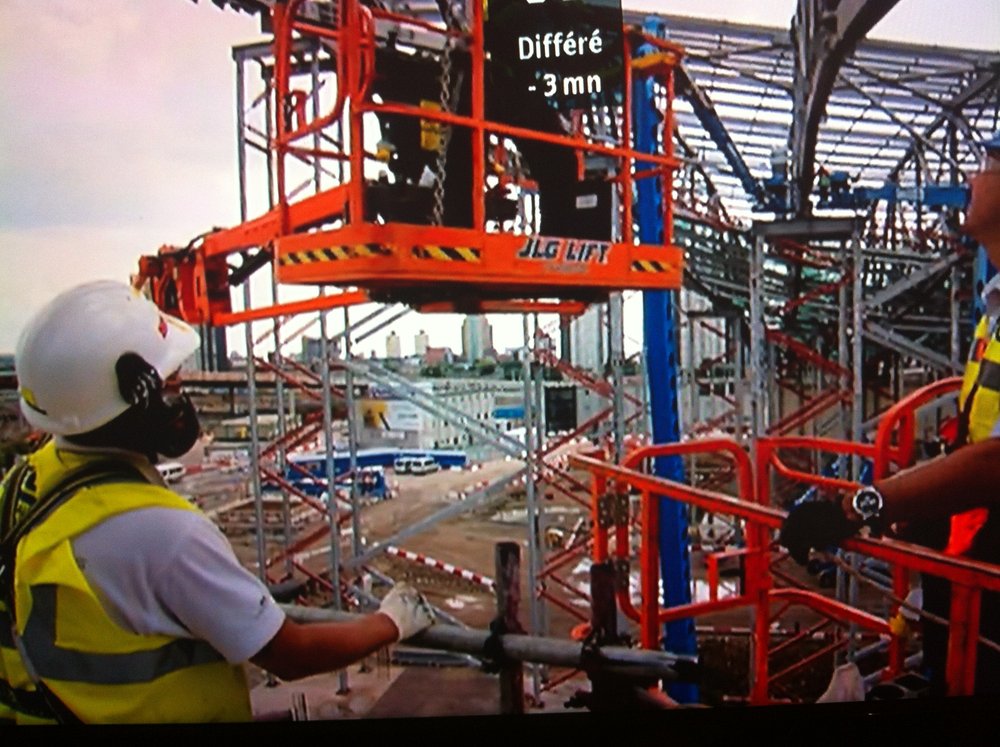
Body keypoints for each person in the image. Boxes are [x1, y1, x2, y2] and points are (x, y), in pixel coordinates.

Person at [0, 280, 435, 724]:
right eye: (171, 386)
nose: (181, 400)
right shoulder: (164, 534)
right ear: (138, 396)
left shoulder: (22, 483)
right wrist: (391, 622)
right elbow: (290, 655)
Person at [779, 131, 1000, 696]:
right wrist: (917, 506)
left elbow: (995, 461)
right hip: (972, 551)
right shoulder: (992, 308)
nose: (970, 180)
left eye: (988, 163)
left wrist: (864, 504)